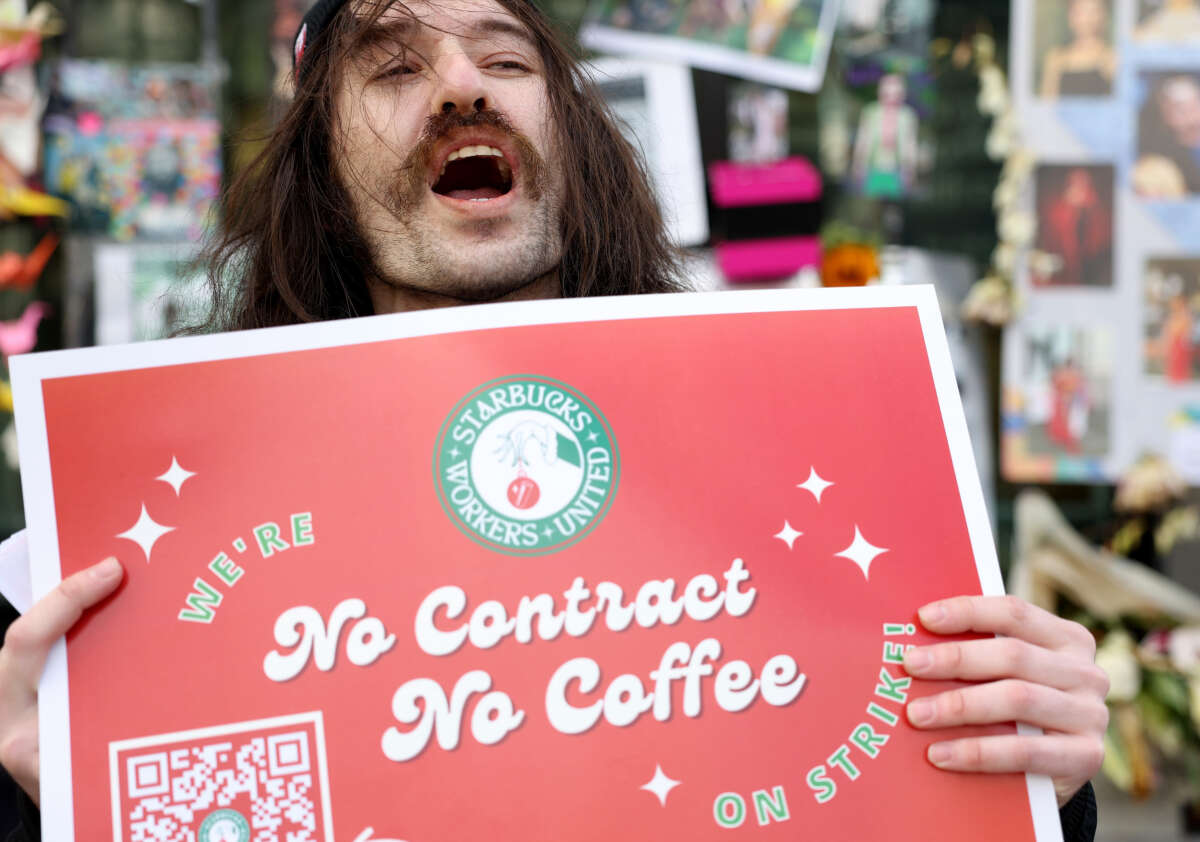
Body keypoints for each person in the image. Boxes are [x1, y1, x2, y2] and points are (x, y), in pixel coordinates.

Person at [0, 0, 1106, 839]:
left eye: (508, 58)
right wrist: (51, 806)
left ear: (573, 142)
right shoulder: (152, 545)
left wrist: (1041, 781)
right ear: (323, 176)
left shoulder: (788, 469)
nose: (460, 88)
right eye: (391, 65)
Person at [1037, 167, 1112, 287]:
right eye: (1075, 184)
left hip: (1088, 276)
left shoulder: (1096, 214)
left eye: (1084, 186)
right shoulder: (1055, 212)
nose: (1080, 191)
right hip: (1060, 276)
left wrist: (1090, 212)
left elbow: (1098, 247)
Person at [1135, 73, 1200, 198]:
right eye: (1179, 107)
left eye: (1194, 103)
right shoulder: (1156, 164)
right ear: (1164, 112)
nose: (1189, 113)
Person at [1039, 0, 1116, 99]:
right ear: (1070, 16)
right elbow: (1047, 104)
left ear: (1103, 15)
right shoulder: (1056, 59)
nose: (1088, 19)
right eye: (1082, 12)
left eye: (1094, 11)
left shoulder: (1112, 58)